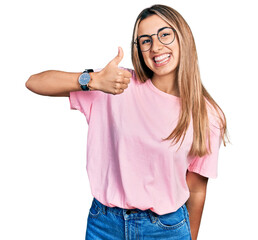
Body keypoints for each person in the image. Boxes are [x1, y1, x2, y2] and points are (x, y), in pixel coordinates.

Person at [26, 4, 228, 240]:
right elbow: (35, 82)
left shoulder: (208, 114)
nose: (155, 47)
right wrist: (92, 80)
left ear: (183, 37)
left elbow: (196, 189)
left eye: (165, 34)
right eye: (145, 40)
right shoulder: (117, 84)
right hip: (104, 226)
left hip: (167, 230)